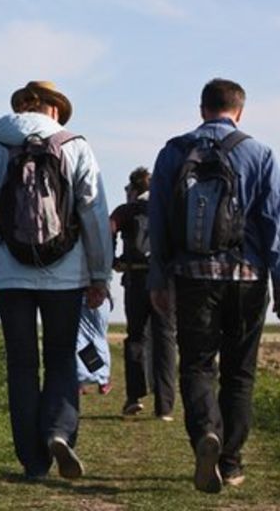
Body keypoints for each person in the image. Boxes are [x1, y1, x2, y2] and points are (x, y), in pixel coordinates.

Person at [148, 78, 280, 493]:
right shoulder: (259, 153)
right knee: (239, 373)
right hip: (248, 280)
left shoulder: (174, 151)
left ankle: (205, 436)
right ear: (240, 111)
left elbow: (158, 220)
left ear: (201, 109)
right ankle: (230, 462)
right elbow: (278, 225)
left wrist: (158, 278)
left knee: (197, 365)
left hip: (192, 277)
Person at [0, 80, 112, 481]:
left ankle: (32, 460)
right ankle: (59, 432)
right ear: (55, 110)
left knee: (22, 363)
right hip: (66, 271)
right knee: (61, 356)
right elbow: (95, 215)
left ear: (22, 109)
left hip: (8, 272)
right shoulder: (76, 146)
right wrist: (100, 275)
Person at [111, 167, 176, 420]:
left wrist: (112, 261)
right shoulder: (168, 209)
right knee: (166, 339)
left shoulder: (126, 211)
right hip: (166, 282)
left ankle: (135, 396)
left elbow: (109, 229)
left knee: (136, 336)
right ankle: (165, 405)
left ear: (135, 189)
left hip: (136, 279)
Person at [76, 295, 112, 395]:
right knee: (97, 338)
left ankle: (82, 380)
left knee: (81, 339)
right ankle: (102, 379)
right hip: (99, 296)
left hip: (82, 295)